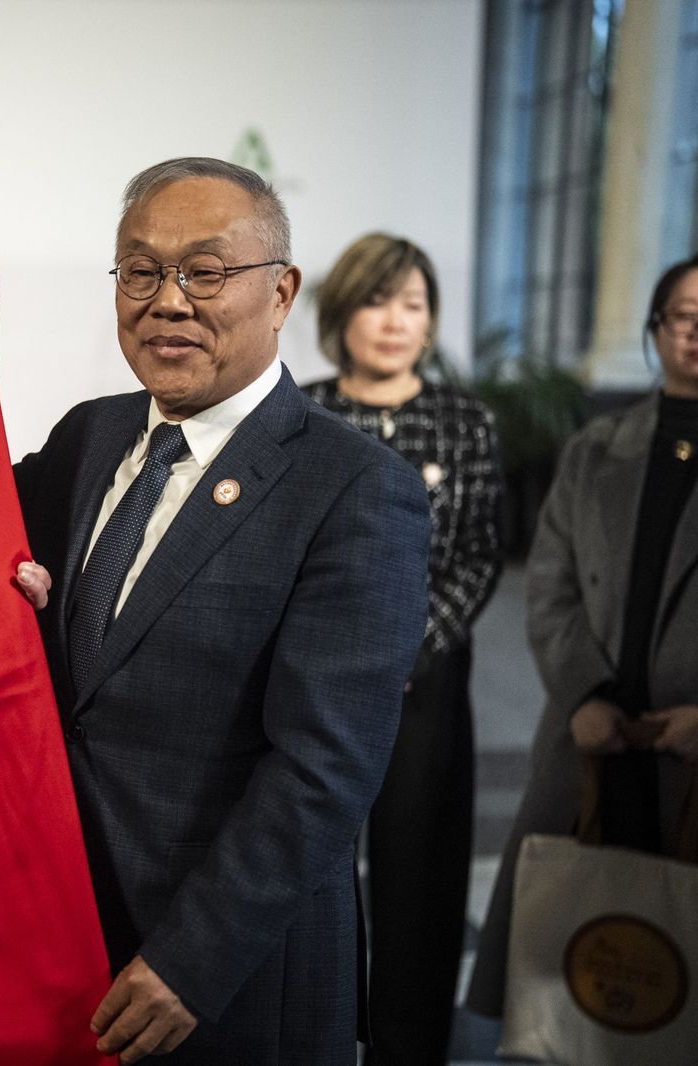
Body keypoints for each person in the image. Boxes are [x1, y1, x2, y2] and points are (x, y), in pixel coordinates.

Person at [0, 157, 430, 1064]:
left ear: (281, 294)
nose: (167, 301)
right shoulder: (91, 436)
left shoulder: (353, 489)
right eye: (140, 271)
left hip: (222, 974)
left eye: (204, 272)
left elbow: (324, 770)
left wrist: (192, 960)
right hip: (55, 934)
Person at [467, 253, 698, 1016]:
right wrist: (583, 694)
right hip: (591, 739)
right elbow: (550, 585)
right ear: (655, 330)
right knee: (574, 975)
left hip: (689, 747)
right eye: (683, 316)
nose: (697, 334)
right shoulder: (598, 448)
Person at [301, 233, 502, 1066]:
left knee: (419, 881)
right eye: (376, 302)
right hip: (312, 685)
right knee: (308, 872)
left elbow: (478, 554)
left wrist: (401, 654)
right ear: (342, 313)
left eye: (413, 306)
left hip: (424, 683)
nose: (393, 322)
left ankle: (409, 1049)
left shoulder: (465, 420)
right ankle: (311, 1034)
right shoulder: (302, 412)